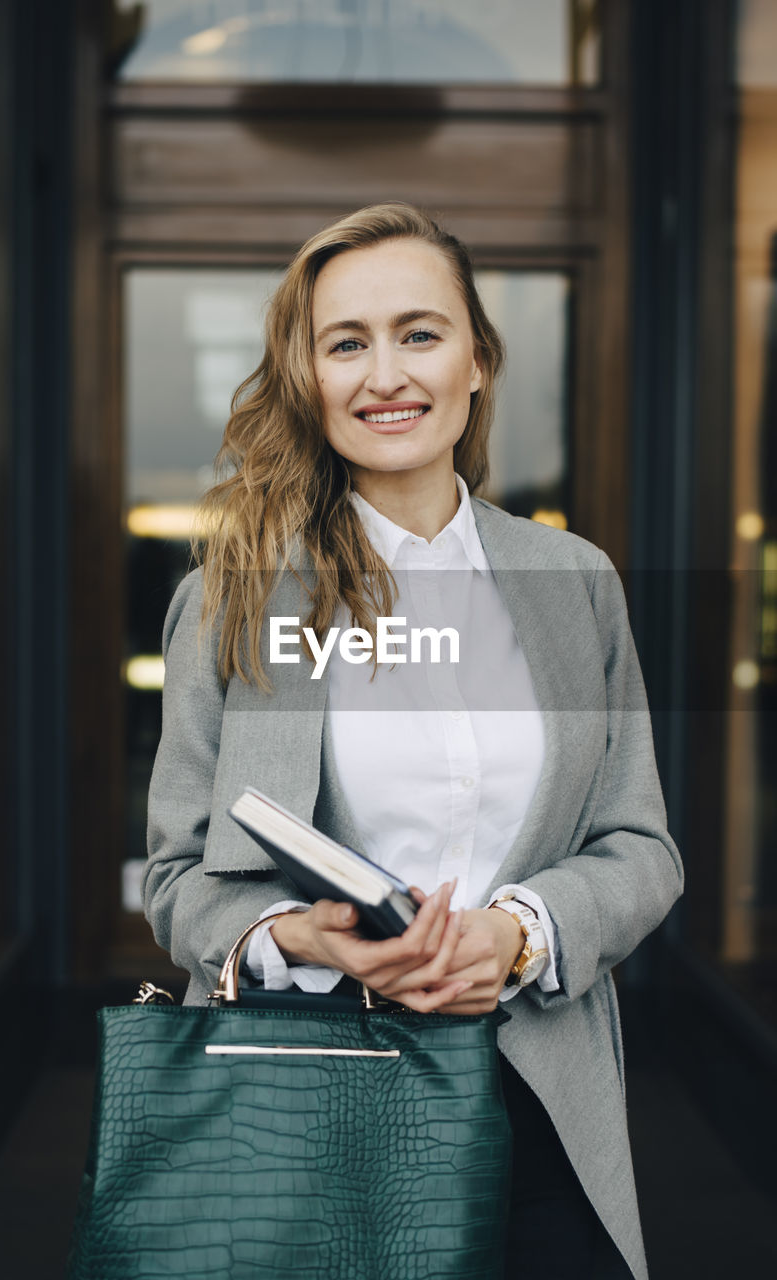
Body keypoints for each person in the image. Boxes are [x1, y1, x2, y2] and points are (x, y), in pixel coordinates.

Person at [143, 202, 683, 1280]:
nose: (383, 372)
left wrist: (516, 935)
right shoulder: (233, 598)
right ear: (309, 377)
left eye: (419, 333)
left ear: (477, 358)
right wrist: (308, 938)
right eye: (346, 342)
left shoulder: (573, 583)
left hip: (539, 1101)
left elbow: (641, 847)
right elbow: (174, 877)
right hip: (309, 1103)